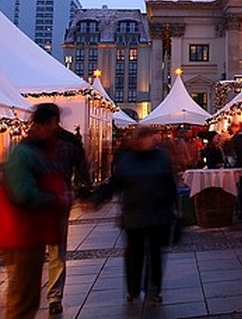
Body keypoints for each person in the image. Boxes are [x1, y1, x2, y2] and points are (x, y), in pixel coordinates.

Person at [0, 103, 66, 319]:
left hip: (31, 235)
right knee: (22, 300)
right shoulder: (25, 153)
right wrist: (56, 199)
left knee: (28, 297)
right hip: (20, 236)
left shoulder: (39, 150)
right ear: (42, 124)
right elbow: (23, 194)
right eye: (53, 123)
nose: (56, 128)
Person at [91, 125, 177, 304]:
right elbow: (114, 184)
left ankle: (154, 288)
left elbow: (170, 184)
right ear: (139, 140)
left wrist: (174, 208)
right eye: (149, 136)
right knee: (134, 255)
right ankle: (133, 289)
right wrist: (96, 200)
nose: (153, 139)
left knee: (155, 254)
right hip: (134, 215)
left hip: (158, 214)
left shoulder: (162, 157)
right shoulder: (127, 160)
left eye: (154, 135)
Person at [45, 123, 91, 315]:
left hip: (57, 200)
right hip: (47, 200)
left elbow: (81, 169)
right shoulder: (32, 142)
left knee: (56, 250)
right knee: (55, 251)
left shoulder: (68, 142)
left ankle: (55, 295)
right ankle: (53, 295)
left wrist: (84, 192)